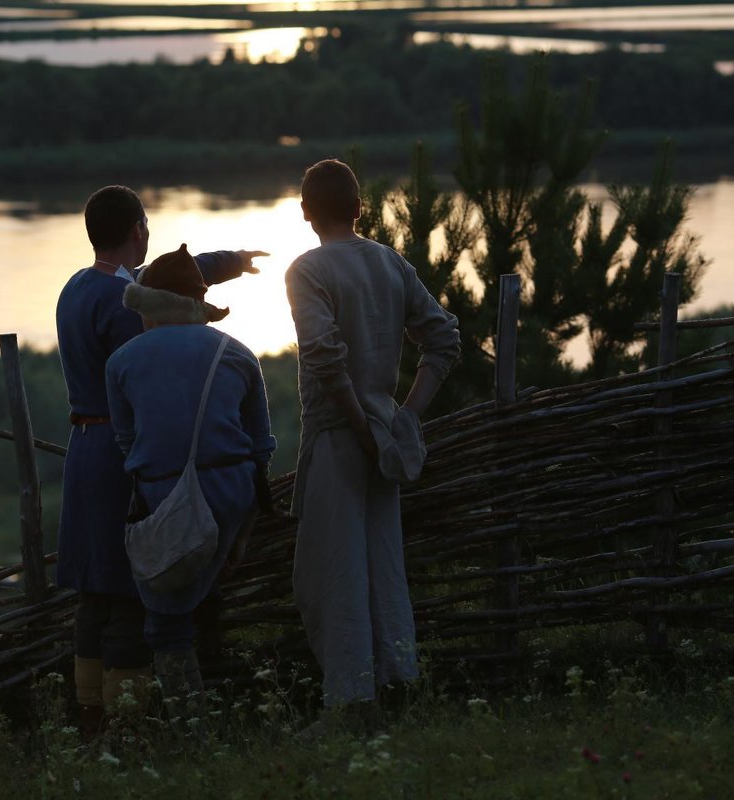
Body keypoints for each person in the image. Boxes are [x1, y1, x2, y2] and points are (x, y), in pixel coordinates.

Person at [56, 185, 265, 730]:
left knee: (93, 595)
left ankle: (90, 720)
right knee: (130, 591)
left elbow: (167, 282)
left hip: (82, 451)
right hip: (124, 455)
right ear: (138, 231)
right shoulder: (124, 307)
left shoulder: (78, 286)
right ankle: (128, 729)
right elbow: (162, 314)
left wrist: (226, 263)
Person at [284, 159, 460, 722]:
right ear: (359, 208)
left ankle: (351, 705)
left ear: (306, 213)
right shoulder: (389, 262)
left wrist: (365, 428)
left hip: (342, 438)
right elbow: (443, 339)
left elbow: (323, 355)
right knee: (384, 566)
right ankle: (397, 686)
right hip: (382, 439)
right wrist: (402, 418)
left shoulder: (307, 270)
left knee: (332, 574)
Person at [105, 244, 275, 699]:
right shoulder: (238, 354)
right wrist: (243, 528)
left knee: (167, 617)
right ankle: (228, 692)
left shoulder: (121, 363)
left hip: (168, 494)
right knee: (211, 587)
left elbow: (128, 443)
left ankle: (191, 720)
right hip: (234, 492)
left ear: (151, 307)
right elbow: (261, 445)